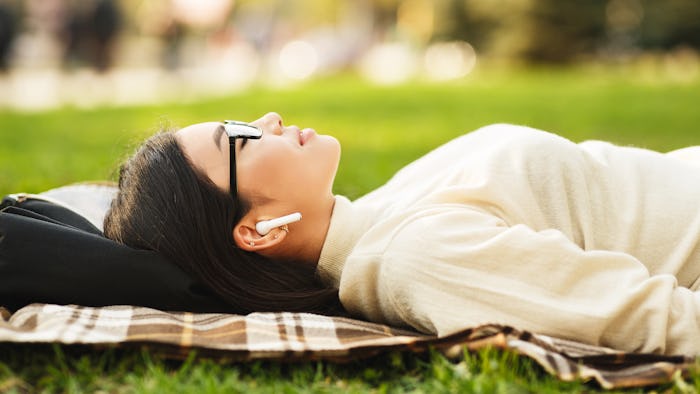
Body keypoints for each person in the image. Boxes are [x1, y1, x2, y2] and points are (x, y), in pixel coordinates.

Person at [104, 112, 700, 356]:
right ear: (257, 231)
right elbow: (657, 319)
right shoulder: (421, 257)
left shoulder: (380, 210)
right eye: (239, 137)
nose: (268, 120)